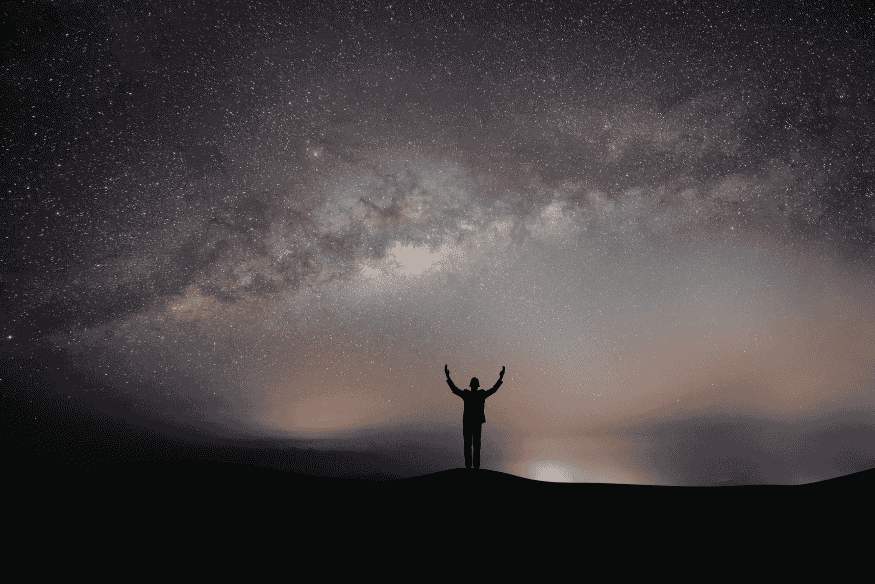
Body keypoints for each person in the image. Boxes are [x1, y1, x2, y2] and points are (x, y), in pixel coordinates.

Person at [445, 364, 505, 469]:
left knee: (472, 445)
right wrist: (500, 378)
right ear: (477, 386)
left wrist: (448, 377)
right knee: (473, 445)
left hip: (470, 423)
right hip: (474, 423)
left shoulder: (469, 394)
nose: (473, 386)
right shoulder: (477, 394)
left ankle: (471, 466)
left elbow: (455, 389)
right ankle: (472, 466)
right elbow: (493, 390)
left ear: (473, 385)